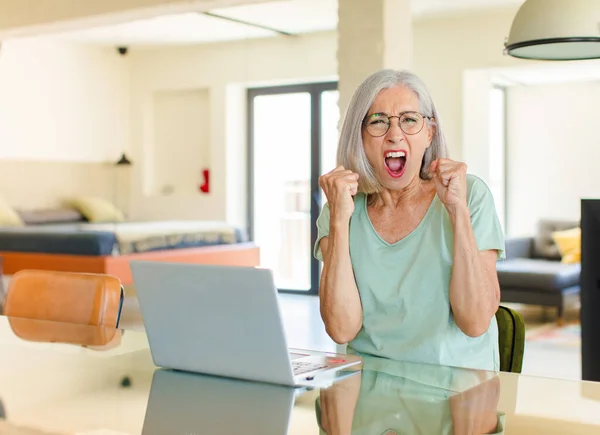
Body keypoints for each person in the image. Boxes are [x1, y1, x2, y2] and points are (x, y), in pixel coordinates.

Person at [314, 69, 505, 371]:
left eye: (410, 119)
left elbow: (476, 320)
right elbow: (341, 328)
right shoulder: (340, 208)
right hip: (370, 393)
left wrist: (457, 210)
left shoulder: (470, 195)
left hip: (458, 394)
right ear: (360, 137)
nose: (394, 134)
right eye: (377, 121)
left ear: (429, 133)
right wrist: (339, 219)